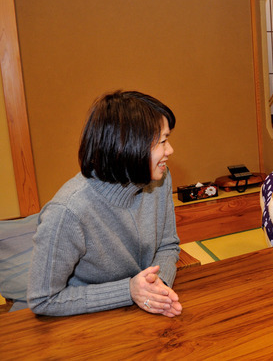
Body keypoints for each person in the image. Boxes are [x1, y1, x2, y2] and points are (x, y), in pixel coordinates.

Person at [27, 90, 182, 317]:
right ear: (129, 148)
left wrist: (156, 286)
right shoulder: (68, 212)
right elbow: (43, 299)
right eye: (163, 141)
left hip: (144, 312)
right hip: (86, 321)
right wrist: (128, 291)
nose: (170, 150)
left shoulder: (160, 180)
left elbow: (168, 245)